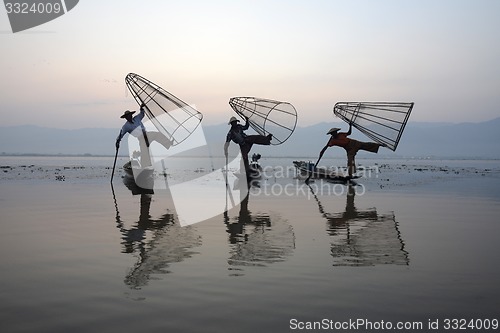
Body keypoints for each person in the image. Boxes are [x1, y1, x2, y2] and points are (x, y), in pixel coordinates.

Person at [116, 104, 172, 168]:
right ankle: (144, 167)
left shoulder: (137, 118)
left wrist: (141, 108)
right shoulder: (126, 126)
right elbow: (121, 134)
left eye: (130, 115)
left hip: (147, 134)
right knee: (144, 151)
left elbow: (142, 114)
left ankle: (168, 143)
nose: (129, 117)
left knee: (157, 134)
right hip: (141, 138)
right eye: (127, 116)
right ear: (126, 118)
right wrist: (118, 141)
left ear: (131, 115)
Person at [317, 123, 381, 178]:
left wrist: (350, 126)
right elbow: (326, 147)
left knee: (365, 145)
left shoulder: (341, 134)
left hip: (353, 143)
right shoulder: (332, 141)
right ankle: (350, 175)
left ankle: (378, 145)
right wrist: (321, 153)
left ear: (336, 132)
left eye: (335, 132)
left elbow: (349, 133)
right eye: (333, 133)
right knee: (350, 161)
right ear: (331, 134)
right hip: (349, 149)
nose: (334, 134)